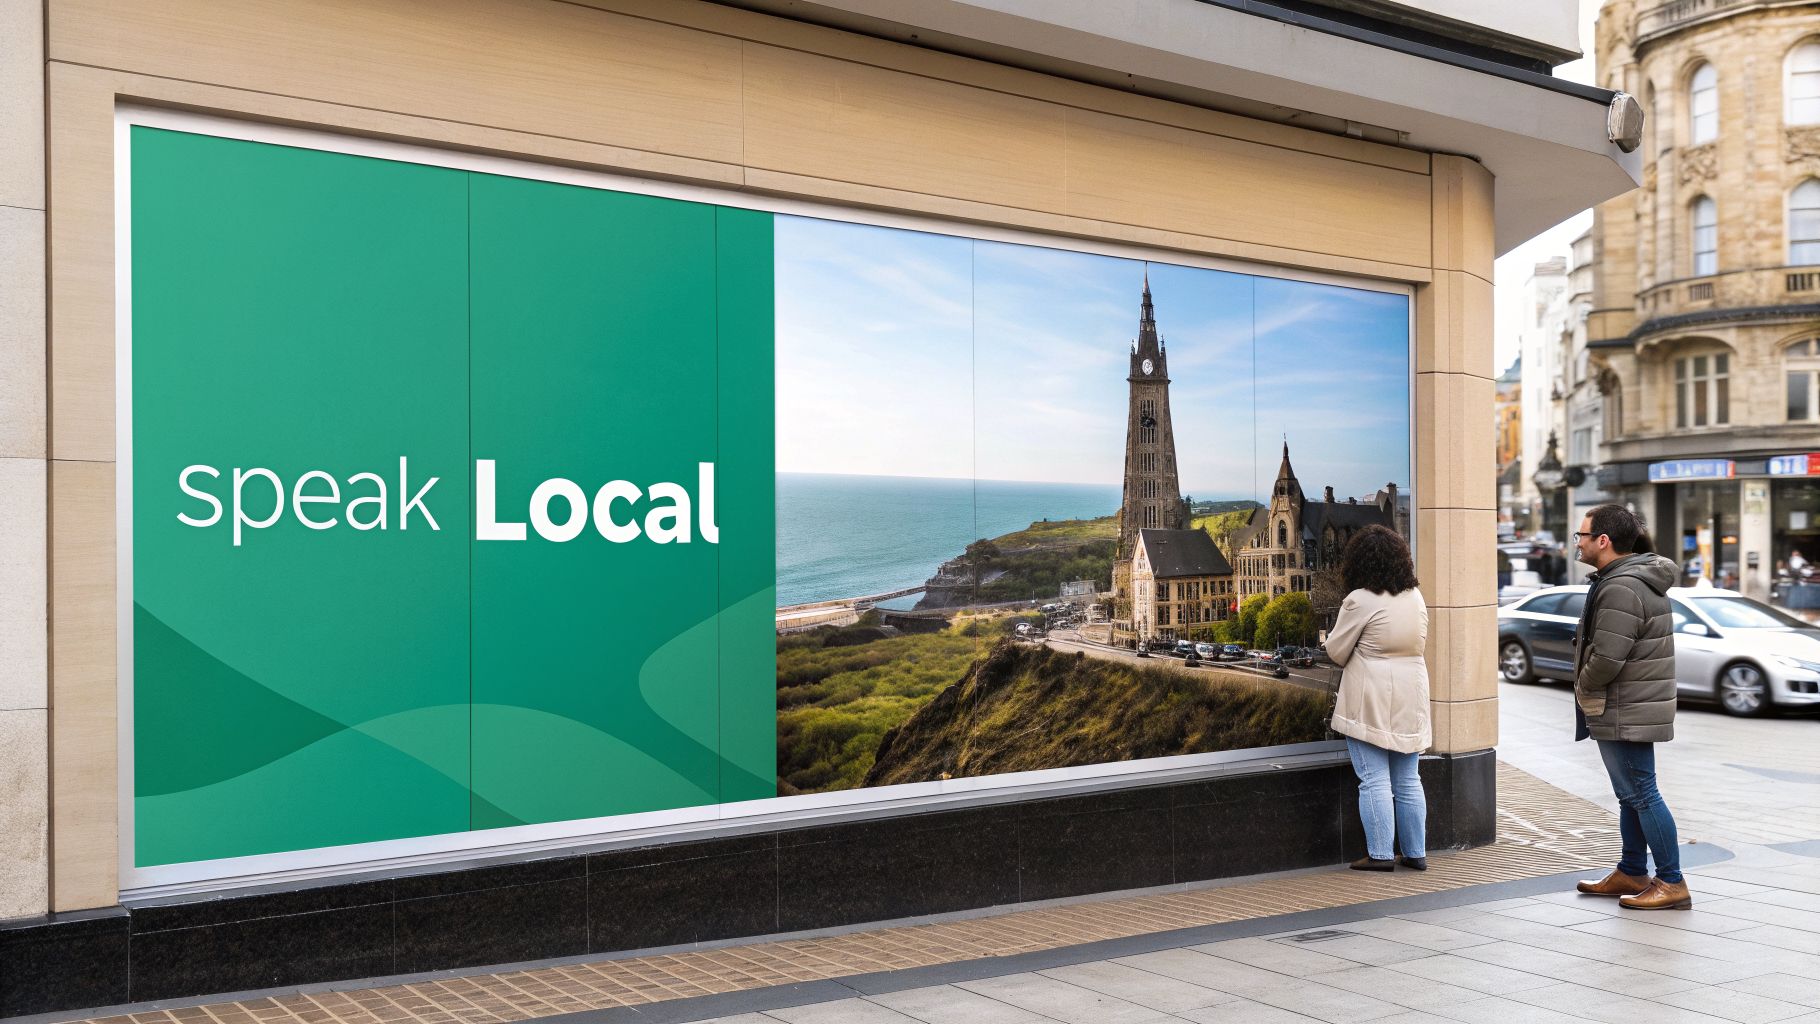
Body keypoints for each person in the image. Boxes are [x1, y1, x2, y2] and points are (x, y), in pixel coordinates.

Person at [1570, 504, 1690, 910]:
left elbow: (1607, 657)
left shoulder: (1622, 585)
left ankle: (1671, 882)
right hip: (1629, 705)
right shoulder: (1629, 578)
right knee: (1631, 795)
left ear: (1603, 541)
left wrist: (1582, 684)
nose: (1578, 543)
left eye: (1582, 536)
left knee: (1642, 794)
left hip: (1625, 707)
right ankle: (1632, 870)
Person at [1325, 525, 1430, 872]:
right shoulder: (1415, 597)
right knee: (1409, 779)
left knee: (1373, 779)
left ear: (1359, 562)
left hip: (1369, 697)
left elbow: (1337, 652)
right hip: (1410, 694)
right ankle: (1415, 852)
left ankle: (1381, 854)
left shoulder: (1360, 600)